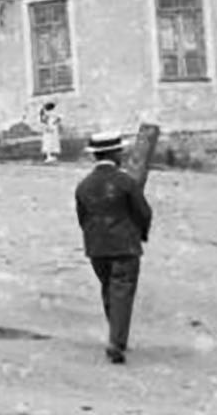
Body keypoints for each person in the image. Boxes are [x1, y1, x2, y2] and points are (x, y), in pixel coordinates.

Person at [75, 131, 152, 364]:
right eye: (120, 151)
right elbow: (143, 212)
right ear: (114, 153)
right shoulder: (126, 181)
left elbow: (83, 218)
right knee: (122, 291)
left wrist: (95, 236)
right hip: (125, 245)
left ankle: (116, 334)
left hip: (97, 247)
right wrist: (141, 233)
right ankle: (116, 342)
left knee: (109, 289)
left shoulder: (84, 185)